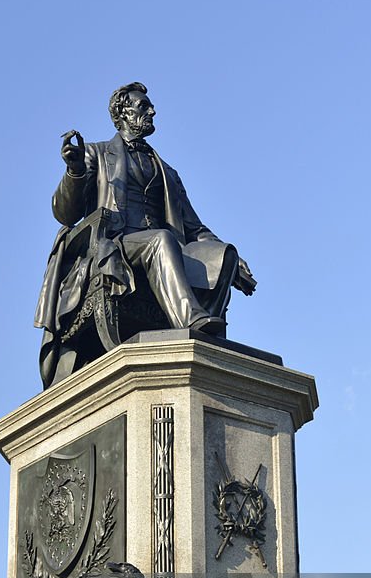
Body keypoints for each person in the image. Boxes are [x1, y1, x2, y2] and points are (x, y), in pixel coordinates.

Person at [35, 82, 255, 387]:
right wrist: (74, 171)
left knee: (224, 255)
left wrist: (231, 256)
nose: (152, 111)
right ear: (123, 113)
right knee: (161, 240)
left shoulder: (167, 172)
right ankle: (190, 323)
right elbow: (65, 214)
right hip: (115, 246)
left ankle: (209, 345)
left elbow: (195, 227)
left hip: (166, 249)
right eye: (144, 106)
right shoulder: (96, 154)